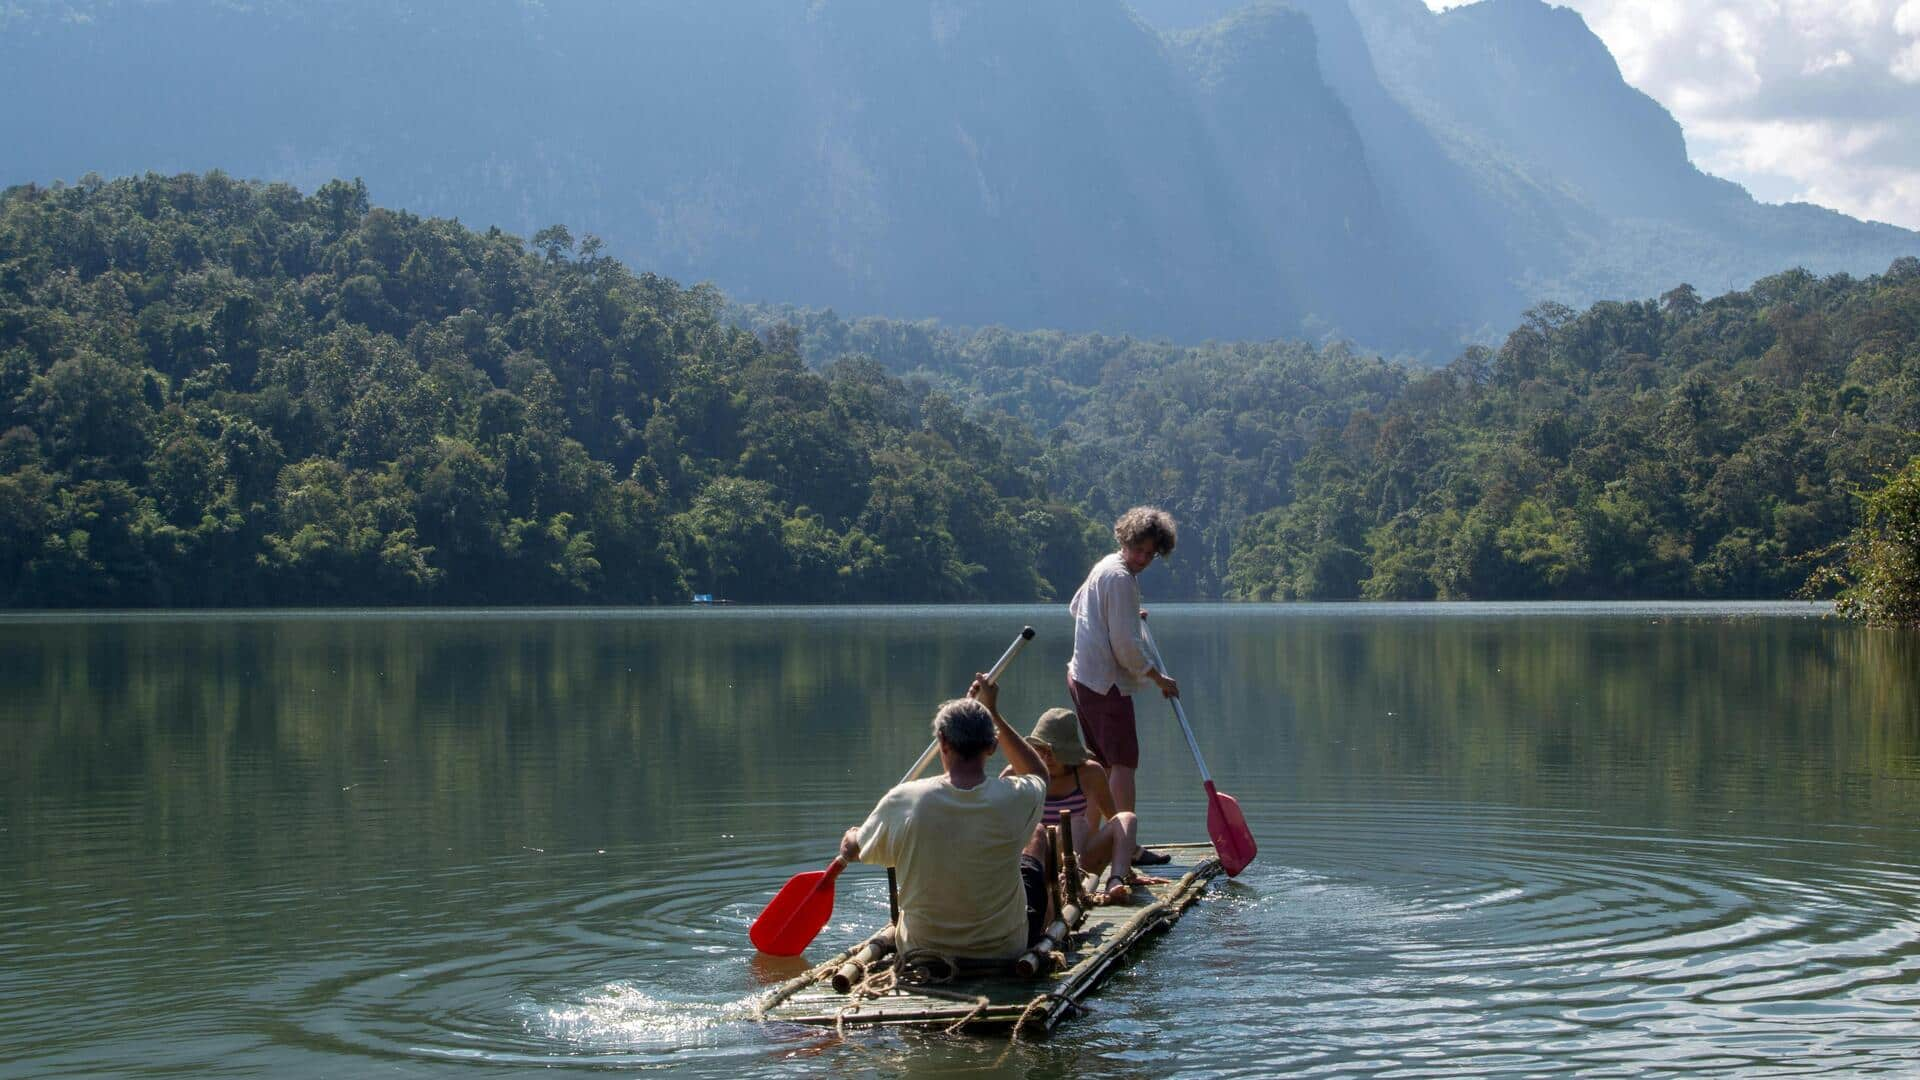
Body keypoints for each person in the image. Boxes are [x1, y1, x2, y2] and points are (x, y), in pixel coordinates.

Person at [839, 676, 1051, 961]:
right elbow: (1039, 775)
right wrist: (994, 713)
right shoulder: (1014, 798)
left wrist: (853, 834)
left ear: (942, 742)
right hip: (1001, 949)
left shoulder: (904, 800)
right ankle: (1047, 928)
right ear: (992, 747)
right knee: (1037, 834)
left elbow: (853, 850)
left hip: (922, 949)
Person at [1067, 506, 1179, 864]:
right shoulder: (1119, 578)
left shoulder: (1106, 567)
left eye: (1151, 553)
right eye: (1139, 550)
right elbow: (1126, 648)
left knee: (1099, 766)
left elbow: (1077, 607)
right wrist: (1158, 678)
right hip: (1104, 683)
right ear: (1125, 540)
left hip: (1082, 677)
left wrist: (1126, 614)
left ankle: (1087, 848)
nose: (1144, 559)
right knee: (1123, 765)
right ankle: (1125, 848)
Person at [1020, 707, 1165, 903]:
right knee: (1077, 823)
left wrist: (1127, 870)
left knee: (1126, 818)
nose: (1046, 758)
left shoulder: (1090, 772)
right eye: (1041, 751)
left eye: (1052, 751)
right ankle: (1067, 882)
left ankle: (1115, 880)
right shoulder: (1020, 770)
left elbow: (1115, 824)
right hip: (1039, 861)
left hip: (1079, 860)